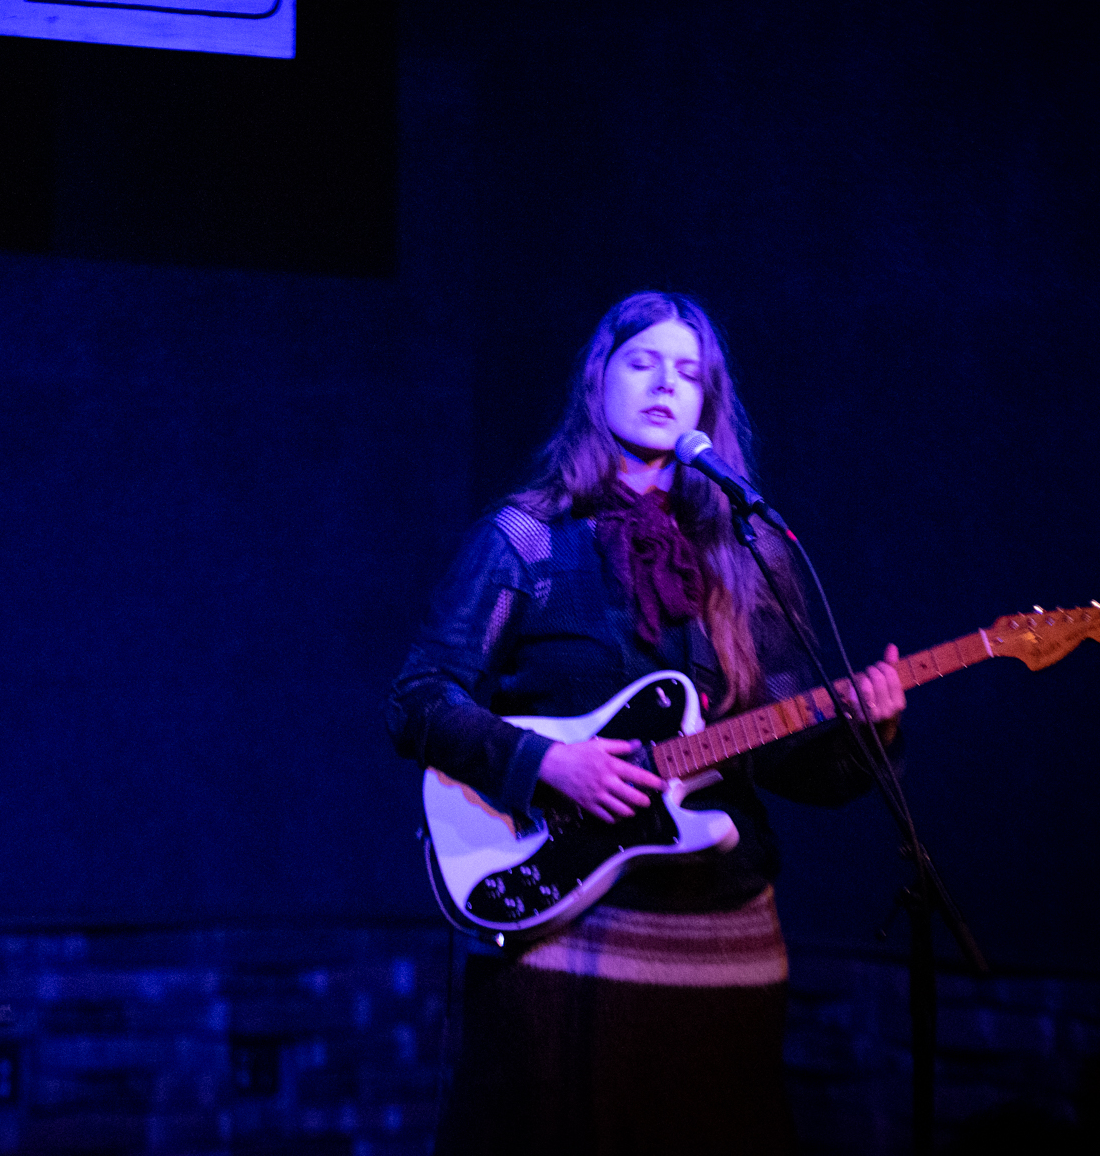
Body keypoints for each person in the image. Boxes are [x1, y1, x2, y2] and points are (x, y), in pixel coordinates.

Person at [387, 293, 906, 1155]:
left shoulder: (746, 556)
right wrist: (546, 764)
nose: (667, 385)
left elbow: (785, 757)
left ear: (708, 402)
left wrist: (869, 728)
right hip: (564, 936)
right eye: (644, 362)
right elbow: (419, 699)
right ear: (599, 379)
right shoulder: (528, 536)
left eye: (689, 373)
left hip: (727, 937)